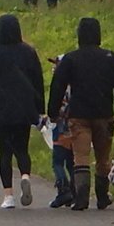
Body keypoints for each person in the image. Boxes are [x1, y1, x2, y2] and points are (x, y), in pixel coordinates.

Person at [48, 17, 114, 211]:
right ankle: (102, 196)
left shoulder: (71, 59)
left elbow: (58, 86)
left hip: (79, 115)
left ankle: (82, 197)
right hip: (104, 115)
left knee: (81, 156)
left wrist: (53, 112)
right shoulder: (109, 58)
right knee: (103, 157)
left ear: (79, 35)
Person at [0, 14, 45, 209]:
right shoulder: (29, 53)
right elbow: (38, 83)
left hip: (2, 110)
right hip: (24, 110)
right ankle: (25, 176)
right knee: (22, 148)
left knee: (5, 152)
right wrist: (40, 110)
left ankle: (8, 196)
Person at [46, 56, 75, 208]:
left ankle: (63, 190)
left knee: (57, 161)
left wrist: (52, 117)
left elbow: (58, 106)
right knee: (71, 161)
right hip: (75, 126)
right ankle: (75, 191)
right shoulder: (77, 83)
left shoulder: (61, 85)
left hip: (62, 126)